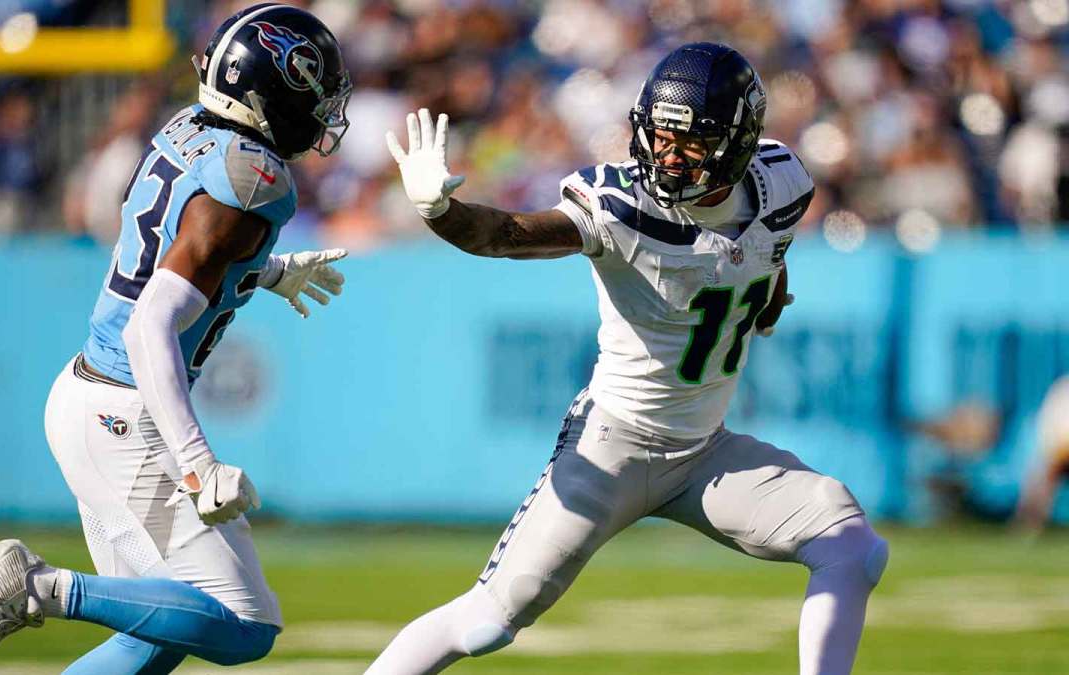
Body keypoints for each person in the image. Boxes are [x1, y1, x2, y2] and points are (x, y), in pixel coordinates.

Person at [370, 43, 888, 675]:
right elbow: (506, 235)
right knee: (489, 620)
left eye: (691, 143)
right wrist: (441, 212)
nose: (667, 156)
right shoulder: (621, 208)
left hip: (704, 455)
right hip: (609, 448)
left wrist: (768, 300)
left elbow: (765, 260)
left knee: (851, 544)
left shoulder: (782, 184)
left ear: (739, 142)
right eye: (659, 135)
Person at [0, 5, 352, 674]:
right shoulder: (254, 182)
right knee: (246, 623)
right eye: (318, 90)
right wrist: (198, 463)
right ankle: (39, 586)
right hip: (124, 414)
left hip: (85, 396)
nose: (326, 110)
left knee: (156, 632)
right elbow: (151, 322)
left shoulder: (188, 128)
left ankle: (42, 588)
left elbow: (167, 248)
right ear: (274, 89)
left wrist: (262, 269)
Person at [1013, 375, 1069, 531]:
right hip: (1060, 452)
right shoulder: (1064, 387)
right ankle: (1027, 525)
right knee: (1041, 473)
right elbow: (1051, 427)